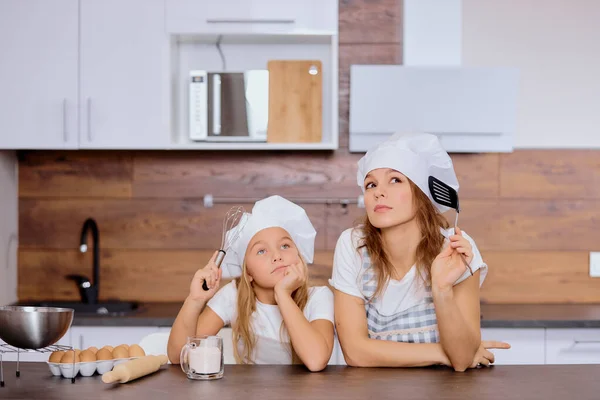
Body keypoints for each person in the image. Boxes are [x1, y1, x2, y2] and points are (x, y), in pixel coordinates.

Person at [330, 133, 509, 371]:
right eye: (371, 184)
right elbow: (355, 352)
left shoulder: (456, 248)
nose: (378, 192)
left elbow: (462, 361)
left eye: (395, 180)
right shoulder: (353, 245)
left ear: (421, 194)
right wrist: (444, 352)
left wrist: (442, 289)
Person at [168, 195, 335, 371]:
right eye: (262, 251)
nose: (277, 256)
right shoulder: (233, 295)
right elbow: (178, 356)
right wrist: (195, 300)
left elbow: (316, 360)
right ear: (247, 272)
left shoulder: (319, 297)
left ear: (298, 257)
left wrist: (283, 295)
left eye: (285, 246)